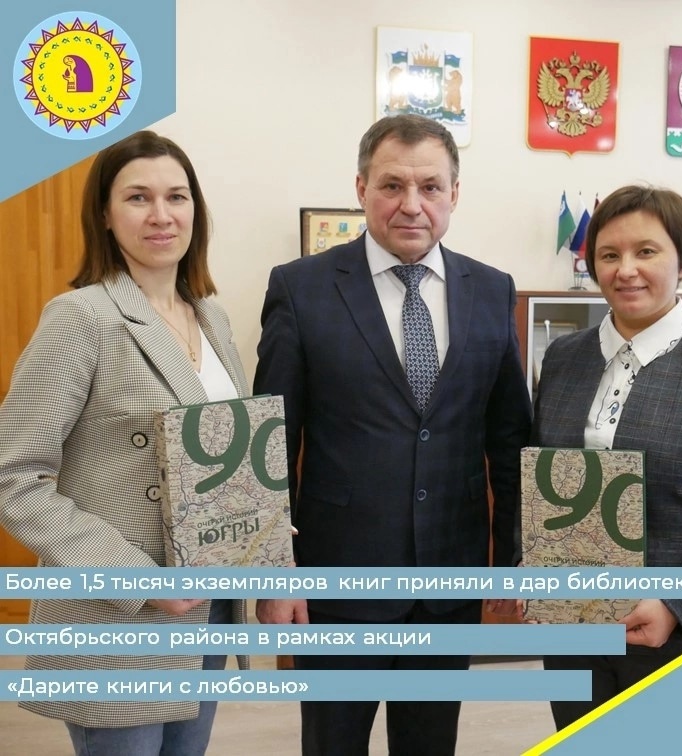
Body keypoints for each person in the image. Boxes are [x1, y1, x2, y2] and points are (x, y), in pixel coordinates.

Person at [253, 114, 532, 756]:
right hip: (338, 582)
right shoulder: (301, 288)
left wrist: (513, 558)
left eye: (430, 187)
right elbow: (271, 443)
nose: (412, 204)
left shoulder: (492, 290)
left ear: (454, 193)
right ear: (361, 188)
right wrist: (274, 572)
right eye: (392, 185)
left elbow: (509, 441)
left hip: (450, 579)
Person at [0, 131, 250, 756]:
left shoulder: (212, 318)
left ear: (196, 210)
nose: (161, 215)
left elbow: (231, 462)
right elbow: (13, 477)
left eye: (176, 197)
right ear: (106, 216)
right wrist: (137, 578)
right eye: (138, 197)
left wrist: (265, 540)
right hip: (118, 611)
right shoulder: (81, 317)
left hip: (209, 604)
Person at [532, 185, 682, 729]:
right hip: (573, 629)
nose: (626, 269)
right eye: (609, 254)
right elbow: (542, 475)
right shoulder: (562, 357)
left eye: (646, 251)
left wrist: (676, 603)